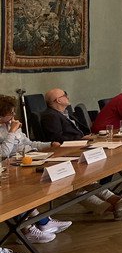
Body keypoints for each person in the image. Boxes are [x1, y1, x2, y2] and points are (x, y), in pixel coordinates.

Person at [42, 89, 122, 220]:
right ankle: (116, 206)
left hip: (81, 145)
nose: (67, 96)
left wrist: (86, 137)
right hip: (70, 151)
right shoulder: (50, 116)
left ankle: (119, 202)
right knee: (77, 182)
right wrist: (82, 139)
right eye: (64, 95)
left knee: (88, 180)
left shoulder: (64, 113)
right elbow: (57, 139)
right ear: (58, 100)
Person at [0, 94, 71, 244]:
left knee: (31, 187)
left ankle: (43, 222)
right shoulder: (8, 129)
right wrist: (12, 132)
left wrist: (49, 144)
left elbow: (30, 143)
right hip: (10, 166)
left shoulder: (12, 126)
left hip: (27, 160)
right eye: (10, 113)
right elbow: (3, 153)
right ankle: (28, 229)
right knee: (16, 192)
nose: (13, 115)